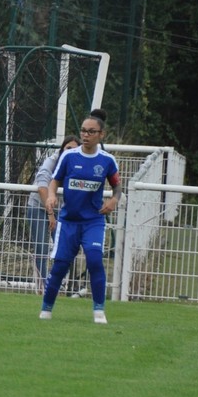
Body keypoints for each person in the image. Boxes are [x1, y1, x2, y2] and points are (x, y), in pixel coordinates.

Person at [40, 109, 122, 324]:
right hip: (68, 221)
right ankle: (46, 310)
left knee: (95, 260)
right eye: (83, 131)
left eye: (91, 132)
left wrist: (114, 200)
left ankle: (98, 311)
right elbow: (55, 180)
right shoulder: (69, 156)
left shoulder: (107, 161)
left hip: (93, 221)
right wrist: (50, 196)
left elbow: (117, 187)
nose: (85, 135)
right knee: (60, 266)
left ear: (101, 135)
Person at [27, 134, 79, 290]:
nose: (71, 152)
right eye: (68, 148)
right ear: (62, 149)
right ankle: (42, 287)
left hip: (62, 210)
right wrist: (50, 215)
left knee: (65, 246)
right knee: (41, 247)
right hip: (39, 206)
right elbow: (42, 185)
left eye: (75, 149)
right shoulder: (53, 161)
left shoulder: (81, 164)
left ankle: (59, 283)